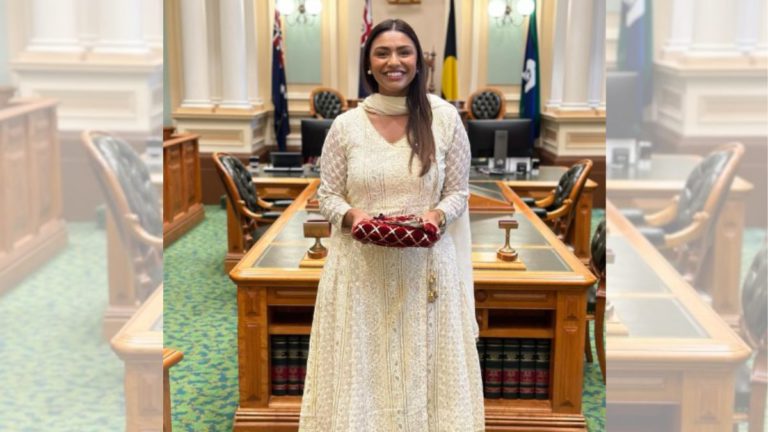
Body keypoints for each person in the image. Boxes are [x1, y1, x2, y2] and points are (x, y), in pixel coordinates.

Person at [299, 19, 484, 431]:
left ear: (419, 61)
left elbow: (458, 192)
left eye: (404, 52)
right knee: (363, 373)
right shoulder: (346, 126)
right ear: (368, 64)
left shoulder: (444, 119)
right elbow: (327, 194)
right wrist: (353, 217)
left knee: (426, 372)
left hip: (427, 273)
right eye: (382, 53)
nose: (393, 61)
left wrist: (436, 216)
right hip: (360, 272)